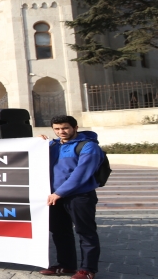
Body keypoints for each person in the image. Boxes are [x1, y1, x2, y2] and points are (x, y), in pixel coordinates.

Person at [39, 115, 103, 279]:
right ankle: (66, 265)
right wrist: (37, 143)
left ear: (75, 128)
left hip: (79, 196)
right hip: (54, 197)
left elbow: (81, 174)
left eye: (65, 128)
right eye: (57, 129)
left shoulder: (88, 146)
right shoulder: (53, 145)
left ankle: (88, 269)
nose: (61, 132)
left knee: (85, 232)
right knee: (60, 233)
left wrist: (59, 193)